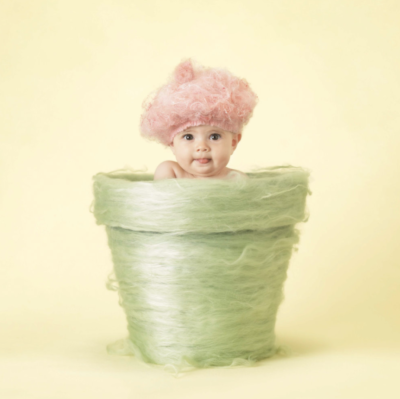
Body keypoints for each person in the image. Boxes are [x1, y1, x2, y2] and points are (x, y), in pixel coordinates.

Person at [139, 59, 258, 180]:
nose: (202, 146)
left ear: (233, 143)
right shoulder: (170, 171)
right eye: (188, 137)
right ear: (172, 145)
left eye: (214, 137)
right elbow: (164, 197)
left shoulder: (236, 179)